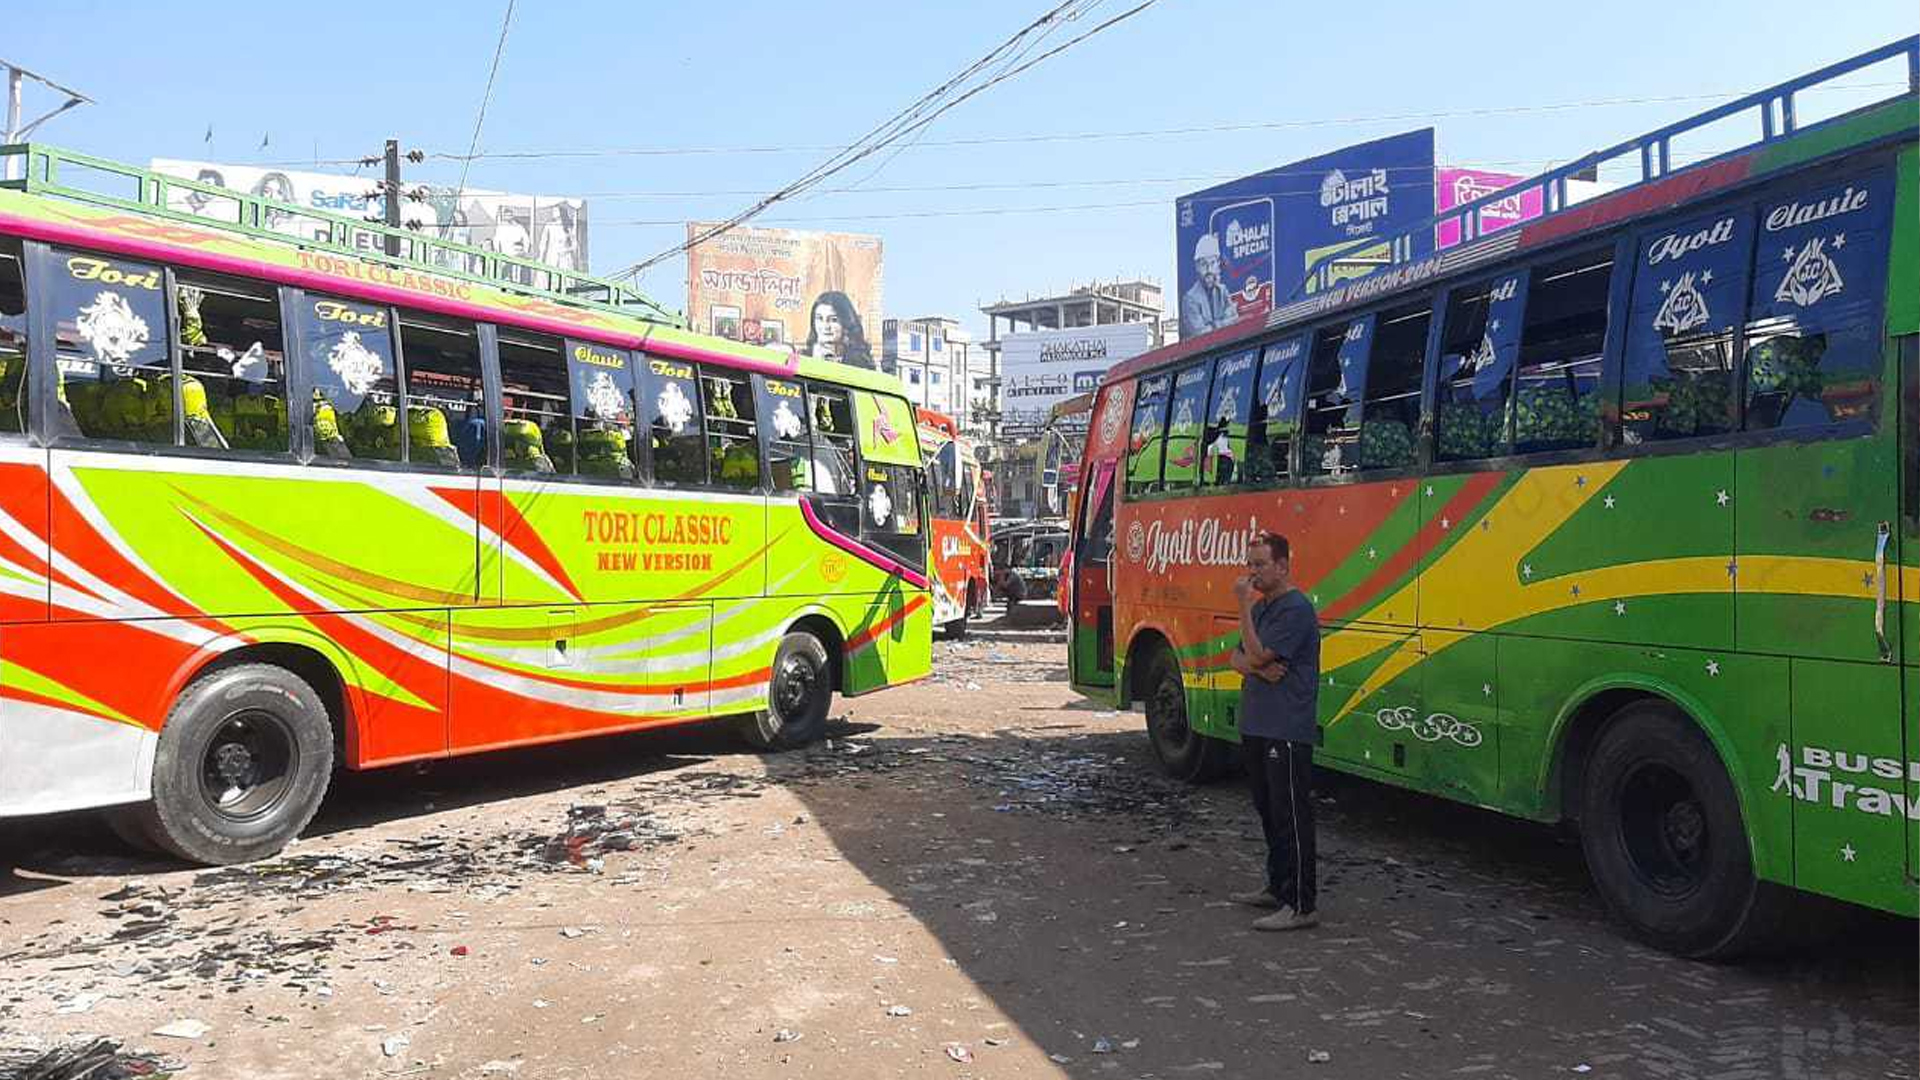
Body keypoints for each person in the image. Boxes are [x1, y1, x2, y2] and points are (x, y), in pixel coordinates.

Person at [1228, 532, 1321, 931]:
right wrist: (1258, 668)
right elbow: (1235, 658)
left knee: (1291, 814)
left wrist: (1242, 608)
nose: (1252, 573)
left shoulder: (1295, 609)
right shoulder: (1263, 608)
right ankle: (1277, 884)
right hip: (1256, 722)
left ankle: (1300, 904)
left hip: (1285, 726)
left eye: (1260, 565)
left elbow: (1256, 651)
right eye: (1249, 564)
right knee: (1267, 809)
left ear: (1282, 566)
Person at [803, 291, 875, 369]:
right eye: (820, 319)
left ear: (846, 323)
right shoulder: (802, 359)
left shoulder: (861, 362)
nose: (825, 326)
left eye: (833, 320)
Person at [1182, 232, 1235, 336]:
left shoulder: (1222, 290)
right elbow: (1200, 333)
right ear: (1197, 267)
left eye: (1212, 263)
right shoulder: (1190, 299)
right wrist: (1223, 323)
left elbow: (1234, 318)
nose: (1209, 270)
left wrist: (1213, 326)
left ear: (1218, 264)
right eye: (1204, 264)